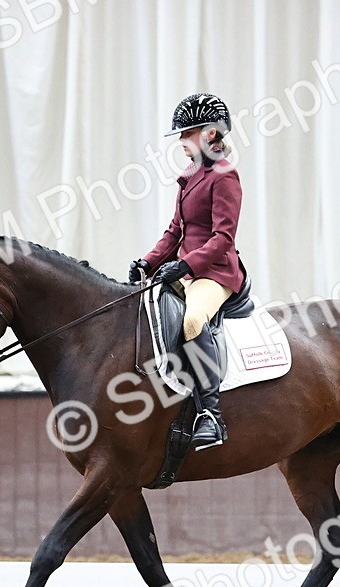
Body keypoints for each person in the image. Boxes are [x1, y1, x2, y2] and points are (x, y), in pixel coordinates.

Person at [129, 92, 246, 451]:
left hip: (215, 273)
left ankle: (211, 414)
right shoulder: (191, 174)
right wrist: (148, 262)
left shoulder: (224, 176)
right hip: (187, 272)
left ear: (211, 133)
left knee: (192, 320)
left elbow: (223, 239)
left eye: (188, 133)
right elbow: (175, 232)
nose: (181, 140)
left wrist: (184, 265)